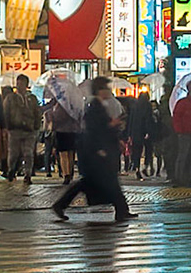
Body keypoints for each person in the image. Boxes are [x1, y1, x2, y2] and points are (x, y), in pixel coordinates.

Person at [52, 77, 135, 222]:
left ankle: (122, 209)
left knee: (102, 182)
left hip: (99, 151)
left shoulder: (99, 106)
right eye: (106, 88)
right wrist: (102, 145)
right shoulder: (95, 107)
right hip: (96, 153)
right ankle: (121, 210)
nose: (108, 91)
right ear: (100, 90)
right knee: (100, 182)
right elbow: (94, 130)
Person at [3, 75, 42, 184]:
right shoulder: (10, 98)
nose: (20, 86)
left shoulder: (32, 99)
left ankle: (28, 174)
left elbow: (37, 113)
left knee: (28, 153)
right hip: (14, 129)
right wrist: (7, 127)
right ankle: (11, 170)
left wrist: (36, 126)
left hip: (29, 130)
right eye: (18, 83)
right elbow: (5, 113)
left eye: (22, 83)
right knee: (14, 153)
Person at [46, 91, 81, 184]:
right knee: (70, 153)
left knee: (63, 154)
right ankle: (70, 172)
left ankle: (66, 174)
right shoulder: (73, 106)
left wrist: (52, 116)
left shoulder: (60, 107)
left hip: (62, 131)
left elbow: (58, 118)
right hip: (72, 131)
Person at [127, 90, 157, 178]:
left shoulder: (135, 106)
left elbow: (131, 120)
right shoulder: (147, 105)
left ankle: (137, 169)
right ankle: (146, 166)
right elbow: (148, 119)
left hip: (135, 132)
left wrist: (129, 133)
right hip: (145, 132)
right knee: (148, 150)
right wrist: (148, 131)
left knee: (137, 152)